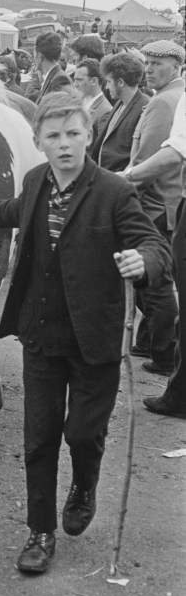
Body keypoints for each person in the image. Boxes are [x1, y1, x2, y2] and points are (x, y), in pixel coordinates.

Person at [0, 91, 170, 575]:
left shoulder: (114, 192)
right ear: (38, 141)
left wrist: (144, 262)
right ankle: (40, 531)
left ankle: (83, 485)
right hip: (41, 334)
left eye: (74, 134)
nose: (64, 145)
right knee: (39, 437)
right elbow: (14, 211)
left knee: (82, 433)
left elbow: (153, 242)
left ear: (89, 136)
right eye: (54, 136)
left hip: (94, 340)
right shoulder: (37, 181)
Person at [122, 90, 186, 418]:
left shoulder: (165, 101)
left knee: (163, 287)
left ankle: (174, 381)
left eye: (156, 64)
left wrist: (123, 181)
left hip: (159, 204)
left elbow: (172, 152)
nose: (149, 70)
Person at [92, 52, 149, 171]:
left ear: (121, 82)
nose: (106, 87)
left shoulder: (145, 107)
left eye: (109, 81)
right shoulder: (119, 103)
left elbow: (140, 158)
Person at [72, 58, 111, 145]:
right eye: (74, 79)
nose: (74, 84)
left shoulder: (105, 112)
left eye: (79, 80)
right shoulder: (79, 104)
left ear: (94, 81)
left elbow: (101, 149)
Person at [25, 32, 72, 104]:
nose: (34, 58)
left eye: (34, 55)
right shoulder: (54, 76)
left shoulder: (60, 80)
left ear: (40, 57)